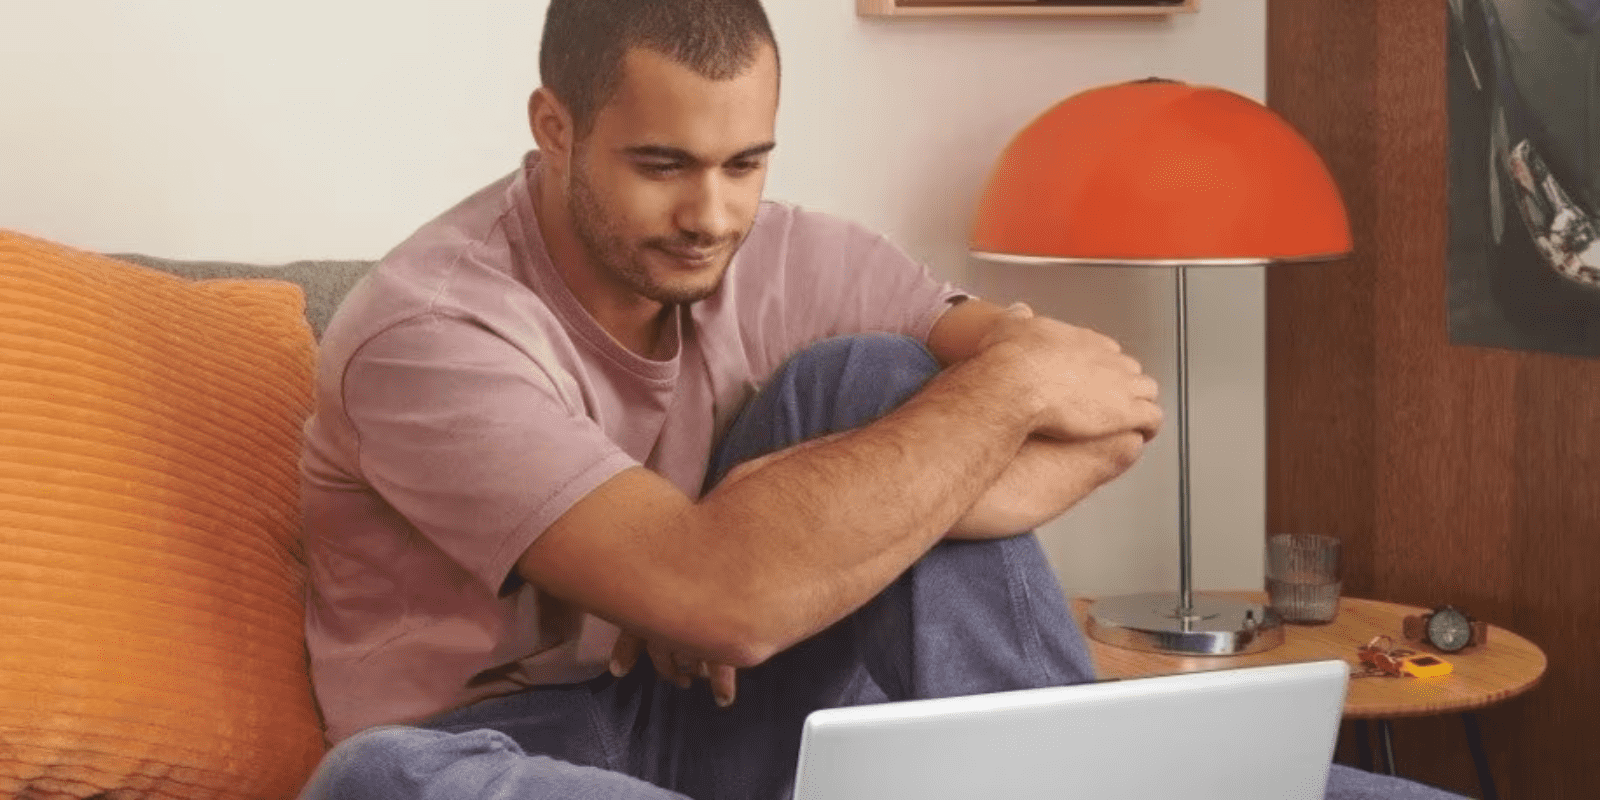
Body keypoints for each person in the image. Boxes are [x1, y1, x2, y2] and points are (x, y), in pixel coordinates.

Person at [295, 1, 1465, 798]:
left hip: (726, 708)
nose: (713, 214)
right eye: (662, 166)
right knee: (380, 782)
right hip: (505, 740)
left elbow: (1108, 410)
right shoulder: (430, 327)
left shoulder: (791, 254)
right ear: (554, 128)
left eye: (745, 163)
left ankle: (1066, 774)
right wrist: (724, 564)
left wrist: (773, 506)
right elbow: (728, 597)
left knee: (878, 387)